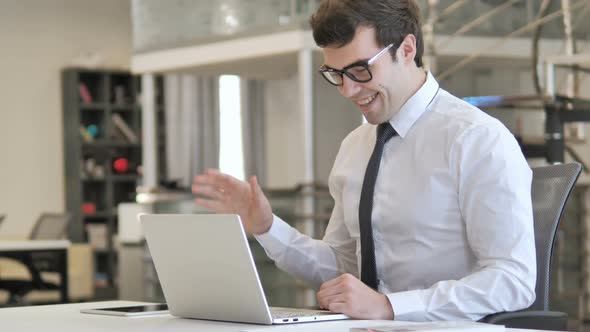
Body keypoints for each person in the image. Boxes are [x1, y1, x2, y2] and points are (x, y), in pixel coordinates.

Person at [192, 0, 536, 322]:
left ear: (407, 49)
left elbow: (513, 279)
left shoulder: (476, 138)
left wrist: (389, 306)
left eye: (359, 69)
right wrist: (268, 229)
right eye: (336, 74)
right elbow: (341, 266)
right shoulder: (355, 146)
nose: (348, 90)